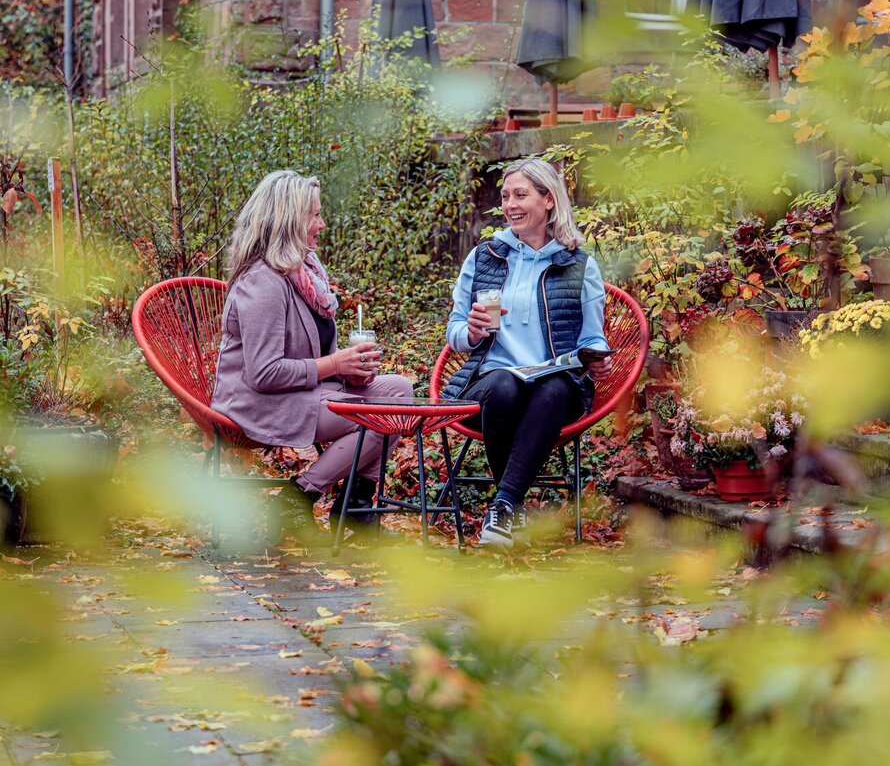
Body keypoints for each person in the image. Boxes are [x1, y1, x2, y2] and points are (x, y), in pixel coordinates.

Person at [211, 170, 414, 539]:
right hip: (258, 403)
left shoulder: (304, 276)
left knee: (399, 392)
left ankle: (356, 506)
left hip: (304, 394)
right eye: (314, 215)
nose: (322, 224)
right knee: (374, 417)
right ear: (289, 220)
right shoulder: (264, 282)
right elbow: (264, 373)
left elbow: (316, 354)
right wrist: (334, 364)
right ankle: (300, 495)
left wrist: (349, 372)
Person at [443, 157, 612, 550]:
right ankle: (508, 508)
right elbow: (453, 331)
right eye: (505, 197)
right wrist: (469, 332)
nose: (510, 205)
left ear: (549, 199)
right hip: (491, 381)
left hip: (555, 385)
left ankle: (504, 508)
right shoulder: (485, 258)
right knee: (504, 384)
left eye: (521, 195)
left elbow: (593, 335)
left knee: (552, 387)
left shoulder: (577, 266)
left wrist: (598, 357)